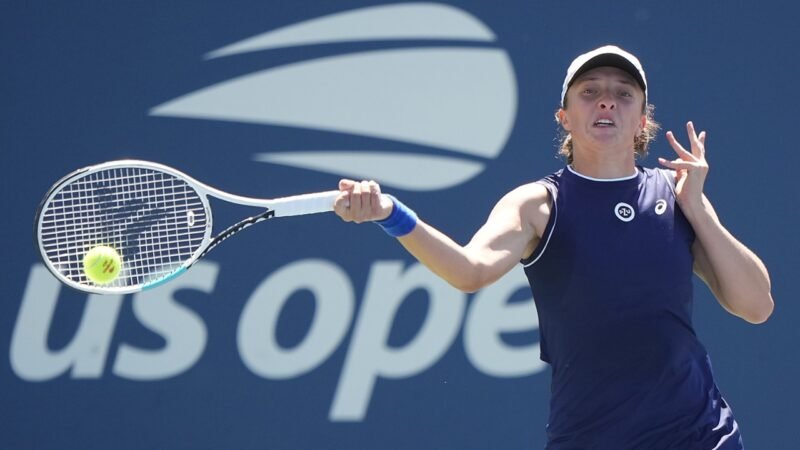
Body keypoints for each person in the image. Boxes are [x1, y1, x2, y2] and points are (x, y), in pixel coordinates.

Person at [333, 45, 773, 449]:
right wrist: (391, 214)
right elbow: (470, 271)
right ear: (564, 117)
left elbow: (756, 306)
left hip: (701, 436)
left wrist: (697, 210)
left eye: (624, 94)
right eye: (590, 92)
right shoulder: (538, 204)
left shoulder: (678, 194)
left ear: (643, 121)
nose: (607, 102)